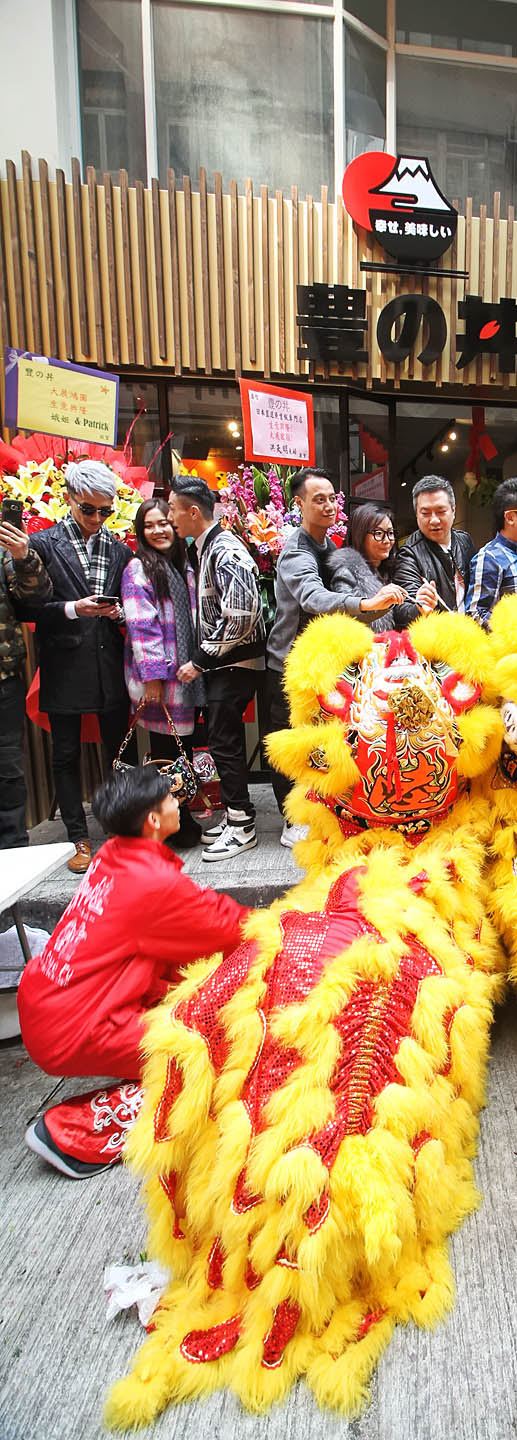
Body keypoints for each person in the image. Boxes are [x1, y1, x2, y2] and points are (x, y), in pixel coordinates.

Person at [19, 766, 249, 1178]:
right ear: (153, 821)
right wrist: (289, 925)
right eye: (171, 798)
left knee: (195, 993)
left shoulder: (114, 855)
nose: (179, 802)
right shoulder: (151, 882)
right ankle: (71, 1131)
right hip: (75, 1024)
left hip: (51, 1000)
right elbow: (229, 927)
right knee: (209, 1054)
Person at [26, 460, 132, 873]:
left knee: (116, 752)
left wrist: (117, 613)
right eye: (89, 509)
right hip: (63, 661)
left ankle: (120, 833)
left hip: (108, 660)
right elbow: (28, 606)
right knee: (65, 754)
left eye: (106, 511)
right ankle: (77, 837)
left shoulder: (120, 549)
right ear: (70, 499)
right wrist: (74, 609)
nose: (98, 518)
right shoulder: (43, 544)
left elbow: (133, 606)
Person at [167, 476, 265, 863]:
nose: (171, 517)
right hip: (228, 662)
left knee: (225, 741)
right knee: (224, 740)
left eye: (174, 509)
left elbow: (242, 615)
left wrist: (200, 660)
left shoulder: (225, 548)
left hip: (234, 663)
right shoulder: (208, 547)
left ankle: (242, 825)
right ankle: (236, 818)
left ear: (194, 512)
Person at [265, 468, 343, 846]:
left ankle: (318, 808)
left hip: (321, 666)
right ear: (298, 503)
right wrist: (362, 603)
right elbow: (313, 598)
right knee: (291, 743)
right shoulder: (296, 550)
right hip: (289, 666)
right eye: (319, 499)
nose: (329, 506)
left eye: (332, 498)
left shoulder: (329, 546)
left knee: (318, 739)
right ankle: (290, 818)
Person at [121, 498, 204, 849]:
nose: (157, 531)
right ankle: (171, 828)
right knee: (166, 755)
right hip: (161, 679)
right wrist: (152, 677)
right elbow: (142, 627)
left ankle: (181, 819)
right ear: (141, 532)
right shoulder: (139, 568)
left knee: (181, 752)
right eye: (149, 526)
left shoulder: (181, 564)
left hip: (185, 675)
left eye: (163, 523)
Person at [0, 512, 52, 848]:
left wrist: (24, 558)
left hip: (4, 675)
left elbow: (36, 599)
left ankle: (12, 845)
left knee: (7, 766)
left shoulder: (5, 550)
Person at [392, 475, 477, 628]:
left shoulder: (465, 541)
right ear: (416, 514)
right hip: (437, 639)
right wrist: (419, 606)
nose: (434, 520)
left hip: (470, 634)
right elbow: (402, 609)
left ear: (453, 510)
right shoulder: (409, 554)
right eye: (425, 513)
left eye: (441, 511)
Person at [466, 477, 517, 628]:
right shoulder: (489, 558)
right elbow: (476, 615)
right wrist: (512, 632)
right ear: (510, 518)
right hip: (508, 649)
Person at [327, 502, 406, 633]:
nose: (387, 540)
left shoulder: (393, 570)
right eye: (379, 533)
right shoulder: (345, 572)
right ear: (360, 535)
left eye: (390, 533)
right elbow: (345, 618)